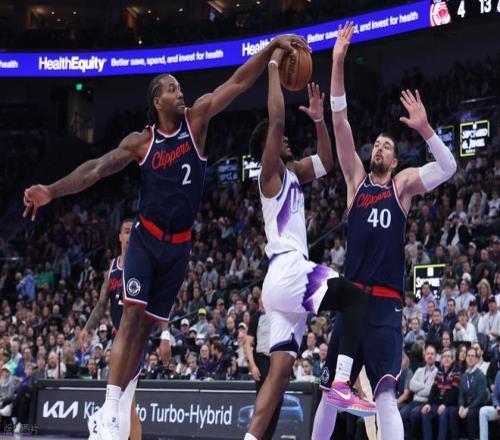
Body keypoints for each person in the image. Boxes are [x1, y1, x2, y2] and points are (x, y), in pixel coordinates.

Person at [22, 32, 307, 440]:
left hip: (179, 246)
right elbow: (96, 169)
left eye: (179, 87)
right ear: (157, 101)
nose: (180, 91)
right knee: (131, 318)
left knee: (146, 331)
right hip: (146, 238)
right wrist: (51, 191)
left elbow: (240, 81)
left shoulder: (198, 119)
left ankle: (117, 407)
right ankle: (109, 411)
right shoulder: (142, 142)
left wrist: (272, 46)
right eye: (172, 88)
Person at [312, 21, 457, 440]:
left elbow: (448, 167)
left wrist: (425, 129)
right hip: (353, 300)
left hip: (387, 304)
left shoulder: (402, 186)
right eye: (376, 143)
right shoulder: (355, 182)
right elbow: (340, 122)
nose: (378, 147)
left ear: (394, 161)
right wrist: (337, 61)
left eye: (386, 146)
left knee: (386, 394)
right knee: (329, 394)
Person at [244, 48, 375, 440]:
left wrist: (319, 120)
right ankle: (341, 383)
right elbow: (277, 120)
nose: (286, 141)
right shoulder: (269, 174)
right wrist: (272, 65)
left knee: (278, 375)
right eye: (279, 140)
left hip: (280, 284)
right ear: (267, 147)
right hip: (288, 269)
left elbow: (326, 161)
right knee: (356, 300)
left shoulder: (293, 174)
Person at [79, 219, 171, 440]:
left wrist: (165, 335)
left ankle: (100, 426)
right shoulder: (112, 268)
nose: (130, 236)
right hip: (117, 340)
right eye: (126, 232)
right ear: (120, 236)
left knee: (122, 398)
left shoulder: (144, 265)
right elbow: (102, 304)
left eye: (133, 232)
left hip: (135, 341)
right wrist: (87, 329)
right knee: (128, 403)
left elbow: (161, 301)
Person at [244, 298, 282, 440]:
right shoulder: (257, 316)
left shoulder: (278, 316)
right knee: (263, 401)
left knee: (278, 401)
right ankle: (256, 435)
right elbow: (247, 343)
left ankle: (267, 437)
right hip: (261, 360)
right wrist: (253, 366)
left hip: (276, 360)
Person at [420, 348, 461, 440]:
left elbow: (454, 392)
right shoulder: (439, 371)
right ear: (441, 359)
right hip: (438, 403)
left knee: (443, 415)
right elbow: (434, 389)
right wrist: (428, 404)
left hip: (451, 404)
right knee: (425, 413)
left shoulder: (456, 372)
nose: (446, 359)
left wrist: (444, 405)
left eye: (449, 357)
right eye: (444, 357)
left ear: (452, 359)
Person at [401, 345, 438, 439]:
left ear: (435, 356)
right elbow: (411, 385)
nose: (430, 356)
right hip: (414, 402)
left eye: (432, 354)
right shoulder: (419, 370)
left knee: (414, 414)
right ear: (424, 356)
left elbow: (430, 391)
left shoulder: (437, 372)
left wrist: (418, 389)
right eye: (428, 353)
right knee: (403, 414)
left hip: (425, 402)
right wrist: (424, 386)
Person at [458, 347, 488, 440]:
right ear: (466, 358)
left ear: (476, 359)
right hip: (466, 406)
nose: (470, 358)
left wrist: (468, 409)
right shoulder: (464, 376)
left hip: (477, 406)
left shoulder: (481, 375)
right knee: (453, 412)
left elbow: (480, 397)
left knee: (471, 414)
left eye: (473, 356)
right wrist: (461, 407)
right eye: (468, 356)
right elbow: (460, 395)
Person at [479, 370, 500, 440]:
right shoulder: (499, 373)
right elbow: (495, 396)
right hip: (499, 408)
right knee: (483, 411)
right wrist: (497, 406)